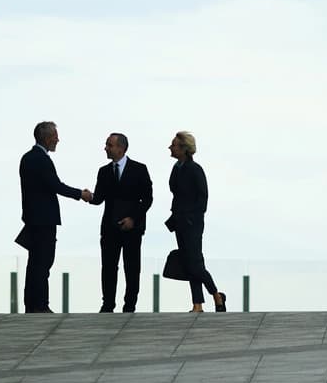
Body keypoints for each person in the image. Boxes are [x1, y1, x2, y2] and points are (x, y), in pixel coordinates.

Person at [18, 121, 90, 313]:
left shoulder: (27, 158)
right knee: (43, 263)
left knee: (34, 263)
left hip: (32, 218)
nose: (58, 139)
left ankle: (32, 304)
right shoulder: (42, 160)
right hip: (44, 220)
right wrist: (80, 194)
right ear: (48, 137)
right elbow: (55, 185)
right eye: (55, 136)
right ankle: (40, 305)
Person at [88, 133, 153, 312]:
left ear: (121, 148)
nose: (106, 148)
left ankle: (130, 304)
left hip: (132, 228)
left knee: (132, 267)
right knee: (108, 267)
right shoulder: (104, 171)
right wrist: (86, 196)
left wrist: (133, 219)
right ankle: (108, 304)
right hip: (110, 227)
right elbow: (99, 198)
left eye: (109, 145)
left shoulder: (139, 169)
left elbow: (147, 199)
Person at [165, 130, 226, 312]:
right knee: (188, 262)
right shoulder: (176, 168)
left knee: (194, 263)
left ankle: (216, 294)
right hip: (179, 221)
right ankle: (197, 304)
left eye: (174, 145)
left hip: (192, 223)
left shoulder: (195, 169)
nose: (170, 147)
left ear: (184, 148)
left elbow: (203, 197)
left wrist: (192, 217)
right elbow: (176, 195)